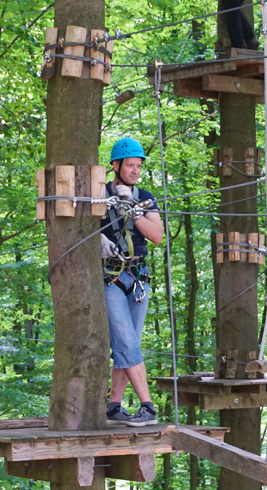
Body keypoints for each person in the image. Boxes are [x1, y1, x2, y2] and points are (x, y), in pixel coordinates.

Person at [100, 137, 163, 427]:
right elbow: (83, 228)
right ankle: (148, 406)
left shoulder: (145, 196)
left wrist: (134, 210)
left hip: (138, 277)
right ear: (116, 166)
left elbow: (156, 235)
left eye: (139, 166)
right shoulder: (100, 194)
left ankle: (114, 405)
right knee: (126, 341)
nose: (135, 171)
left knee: (130, 343)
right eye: (130, 166)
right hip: (110, 276)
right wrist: (99, 242)